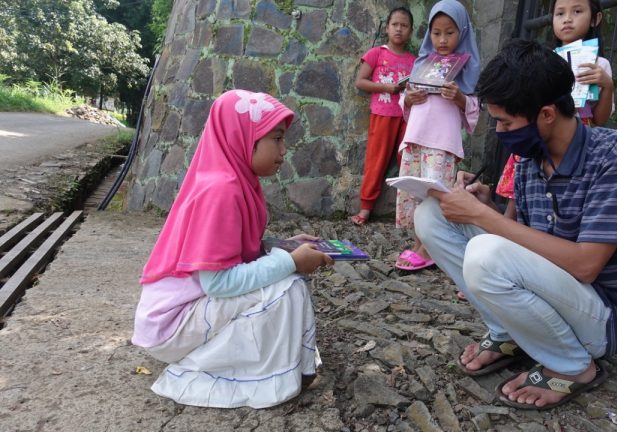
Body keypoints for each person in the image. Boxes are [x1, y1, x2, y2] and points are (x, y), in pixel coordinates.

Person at [414, 39, 617, 410]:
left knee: (485, 253)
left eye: (505, 122)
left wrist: (484, 218)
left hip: (601, 318)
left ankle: (575, 366)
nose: (499, 132)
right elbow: (518, 240)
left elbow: (585, 265)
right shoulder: (530, 161)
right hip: (553, 293)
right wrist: (485, 206)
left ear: (546, 114)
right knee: (430, 215)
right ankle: (509, 333)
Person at [131, 90, 333, 409]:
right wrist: (291, 262)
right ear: (243, 137)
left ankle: (286, 365)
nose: (284, 150)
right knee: (287, 289)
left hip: (186, 311)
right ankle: (244, 372)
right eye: (277, 139)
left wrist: (282, 246)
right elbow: (219, 283)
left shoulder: (234, 181)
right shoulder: (221, 191)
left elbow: (235, 249)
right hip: (171, 325)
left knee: (285, 281)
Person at [494, 0, 615, 222]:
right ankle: (508, 222)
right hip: (538, 128)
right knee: (521, 171)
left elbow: (600, 118)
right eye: (560, 13)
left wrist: (607, 86)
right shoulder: (541, 59)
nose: (567, 18)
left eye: (577, 11)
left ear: (596, 18)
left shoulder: (600, 65)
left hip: (577, 133)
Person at [394, 0, 480, 271]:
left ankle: (426, 248)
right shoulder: (423, 62)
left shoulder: (467, 68)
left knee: (435, 193)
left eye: (450, 32)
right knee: (415, 191)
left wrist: (460, 98)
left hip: (442, 143)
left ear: (463, 32)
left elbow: (474, 107)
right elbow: (404, 103)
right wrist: (409, 98)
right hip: (416, 137)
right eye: (436, 32)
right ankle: (423, 243)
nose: (442, 40)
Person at [350, 7, 416, 226]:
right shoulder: (376, 53)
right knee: (376, 162)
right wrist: (386, 88)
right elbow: (360, 81)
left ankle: (408, 211)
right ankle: (365, 208)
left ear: (410, 31)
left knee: (407, 162)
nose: (399, 29)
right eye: (395, 24)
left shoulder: (414, 61)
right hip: (382, 115)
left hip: (407, 117)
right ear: (387, 28)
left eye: (404, 25)